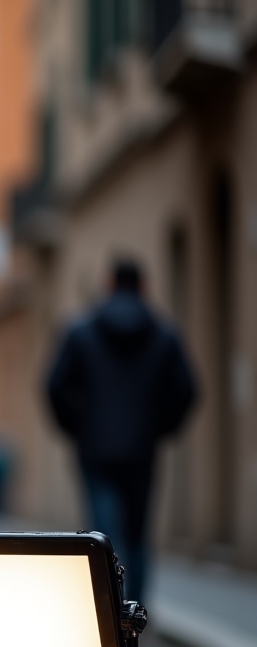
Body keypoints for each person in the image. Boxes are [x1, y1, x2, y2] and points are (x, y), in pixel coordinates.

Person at [46, 257, 196, 603]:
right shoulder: (164, 334)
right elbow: (187, 390)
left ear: (108, 284)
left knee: (102, 533)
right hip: (142, 449)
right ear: (144, 287)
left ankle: (105, 608)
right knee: (138, 533)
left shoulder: (80, 331)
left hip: (94, 448)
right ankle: (135, 612)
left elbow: (54, 386)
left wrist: (76, 427)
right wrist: (160, 427)